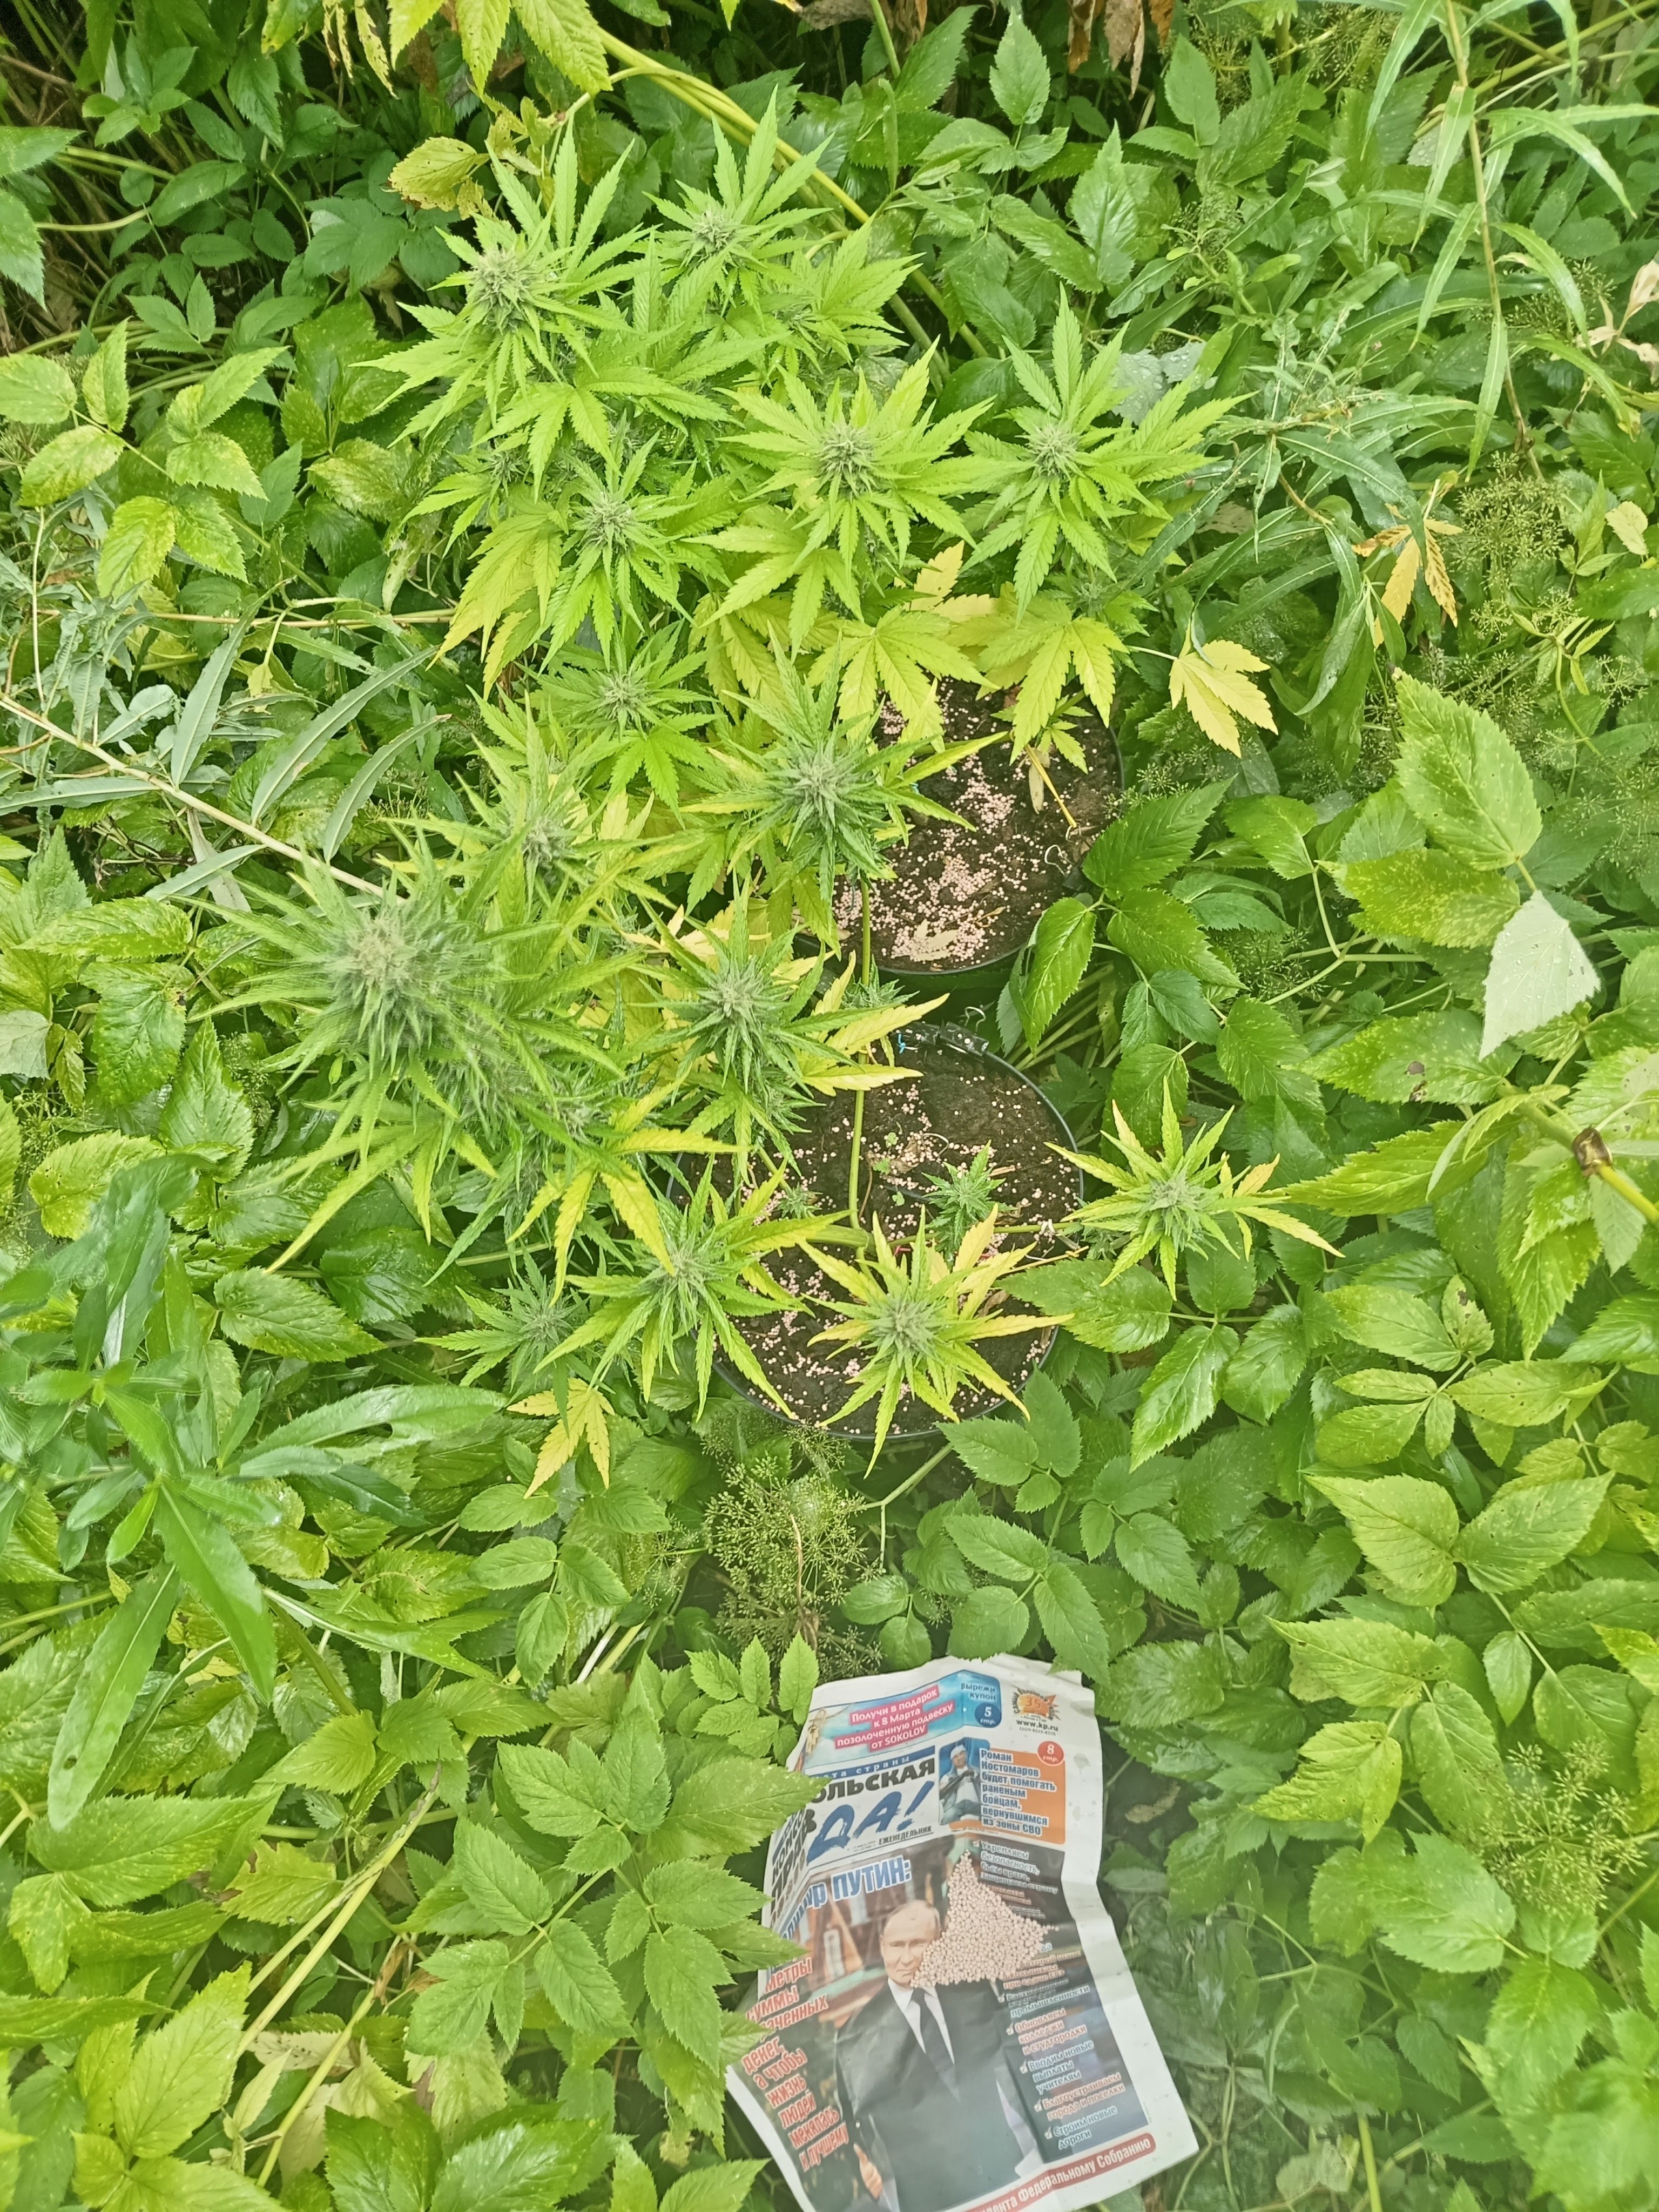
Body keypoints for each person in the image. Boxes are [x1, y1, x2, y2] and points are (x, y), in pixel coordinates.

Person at [833, 1900, 1037, 2212]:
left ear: (939, 1942)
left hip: (1004, 2174)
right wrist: (860, 2169)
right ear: (882, 1946)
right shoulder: (856, 2034)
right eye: (897, 1945)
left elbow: (1016, 2061)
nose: (906, 1958)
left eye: (918, 1944)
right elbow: (850, 2124)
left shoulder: (972, 1990)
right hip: (930, 2198)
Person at [938, 1745, 982, 1826]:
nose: (959, 1758)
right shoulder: (948, 1777)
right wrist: (961, 1777)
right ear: (952, 1761)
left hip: (975, 1804)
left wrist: (976, 1776)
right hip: (957, 1806)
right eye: (955, 1757)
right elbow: (941, 1792)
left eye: (961, 1754)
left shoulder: (978, 1771)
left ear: (966, 1755)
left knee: (989, 1812)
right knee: (948, 1816)